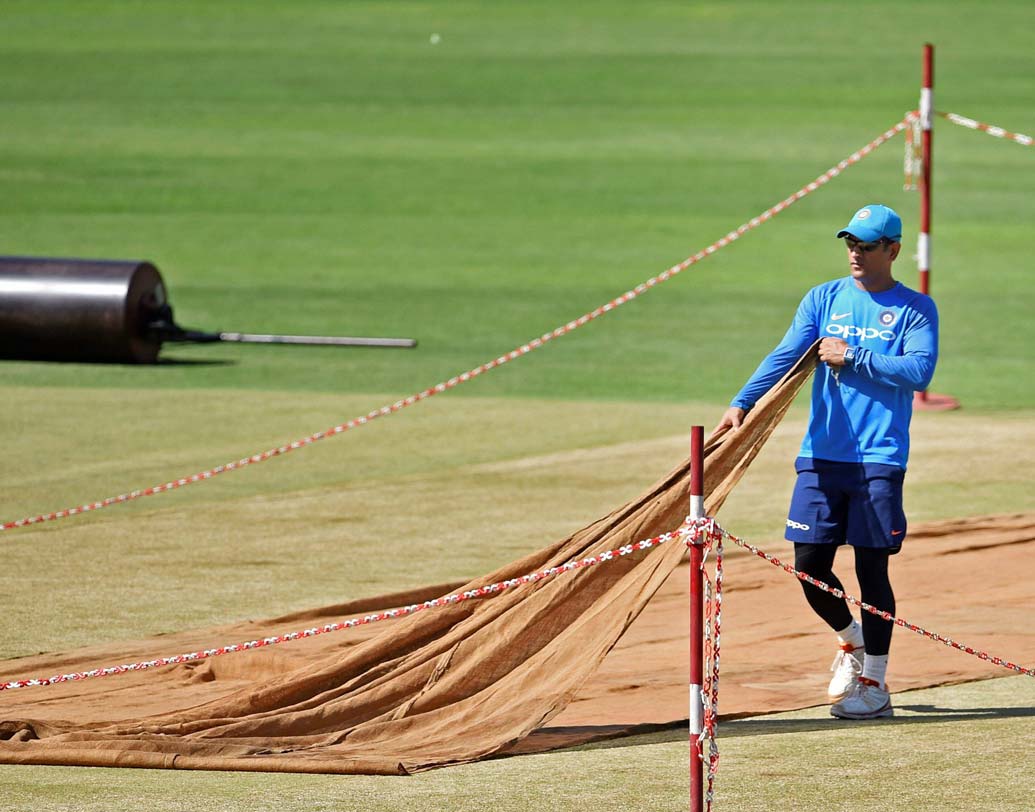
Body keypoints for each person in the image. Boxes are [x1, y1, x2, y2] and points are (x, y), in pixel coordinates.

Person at [715, 204, 938, 720]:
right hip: (820, 456)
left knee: (871, 569)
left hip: (879, 458)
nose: (856, 253)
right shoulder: (824, 298)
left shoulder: (915, 308)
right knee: (810, 565)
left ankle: (875, 685)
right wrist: (742, 401)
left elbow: (920, 371)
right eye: (851, 243)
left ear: (893, 250)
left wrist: (853, 355)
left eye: (867, 245)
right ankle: (851, 641)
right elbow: (785, 353)